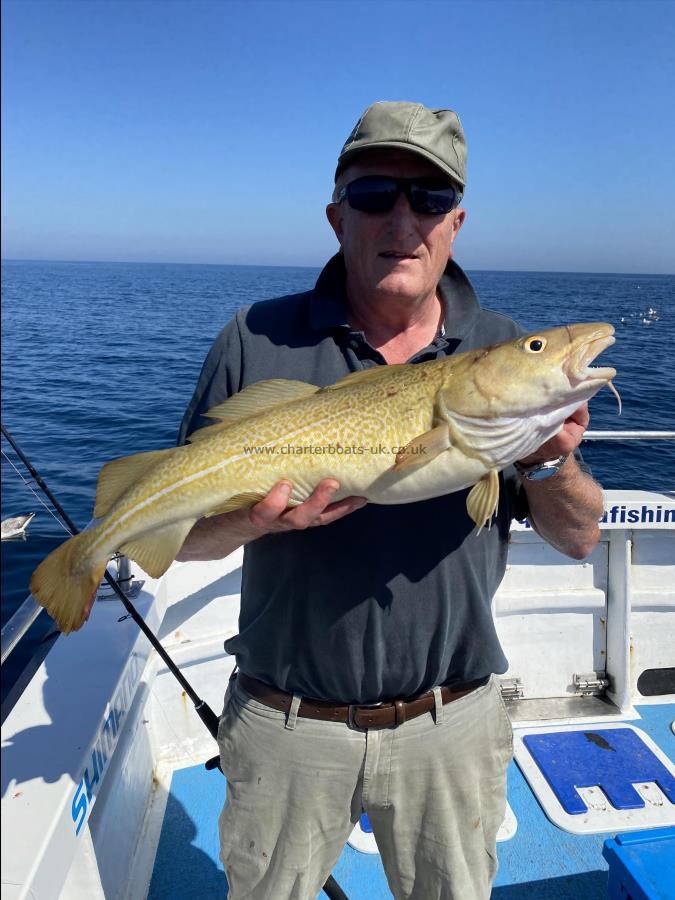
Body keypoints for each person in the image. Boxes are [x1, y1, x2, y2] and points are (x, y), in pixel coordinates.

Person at [177, 101, 604, 900]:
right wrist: (249, 519)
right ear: (338, 217)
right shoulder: (255, 339)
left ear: (456, 222)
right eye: (376, 195)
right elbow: (185, 540)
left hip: (453, 721)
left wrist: (549, 462)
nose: (403, 219)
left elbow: (580, 539)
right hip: (283, 724)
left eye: (431, 199)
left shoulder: (498, 349)